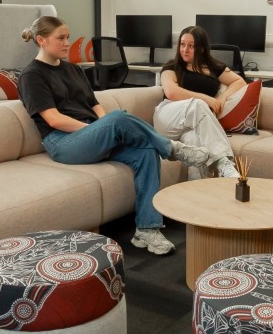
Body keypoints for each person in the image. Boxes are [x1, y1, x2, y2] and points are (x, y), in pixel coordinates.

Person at [18, 15, 218, 255]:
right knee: (119, 118)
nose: (67, 42)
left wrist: (105, 128)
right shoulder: (32, 75)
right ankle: (174, 149)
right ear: (41, 40)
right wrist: (101, 129)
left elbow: (94, 104)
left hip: (91, 136)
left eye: (67, 37)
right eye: (60, 38)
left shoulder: (73, 69)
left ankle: (147, 229)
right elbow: (54, 119)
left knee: (145, 152)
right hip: (63, 142)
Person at [155, 26, 244, 179]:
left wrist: (221, 98)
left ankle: (197, 192)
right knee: (198, 104)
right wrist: (206, 98)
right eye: (182, 44)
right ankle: (224, 162)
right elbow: (171, 92)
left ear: (201, 48)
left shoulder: (213, 67)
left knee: (198, 148)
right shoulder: (172, 66)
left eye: (191, 46)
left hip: (193, 124)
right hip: (168, 117)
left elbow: (239, 82)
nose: (185, 49)